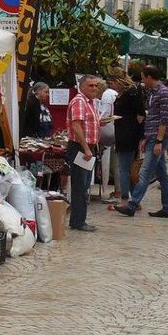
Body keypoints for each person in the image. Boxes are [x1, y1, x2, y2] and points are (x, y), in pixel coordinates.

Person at [116, 66, 168, 219]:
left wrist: (158, 141)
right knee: (162, 174)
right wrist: (146, 137)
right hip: (152, 137)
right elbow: (152, 118)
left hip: (158, 138)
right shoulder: (152, 93)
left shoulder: (164, 93)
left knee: (145, 173)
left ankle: (132, 205)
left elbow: (164, 120)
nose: (141, 81)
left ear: (149, 77)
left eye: (143, 77)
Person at [65, 74, 102, 232]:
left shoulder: (89, 102)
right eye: (90, 85)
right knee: (80, 185)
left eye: (95, 85)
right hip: (81, 149)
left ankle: (79, 219)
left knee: (84, 184)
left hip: (87, 148)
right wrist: (86, 148)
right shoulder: (80, 101)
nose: (94, 88)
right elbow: (76, 126)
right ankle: (78, 221)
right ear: (81, 87)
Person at [109, 70, 144, 204]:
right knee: (128, 167)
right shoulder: (126, 93)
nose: (112, 85)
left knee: (125, 167)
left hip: (127, 132)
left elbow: (140, 112)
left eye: (113, 82)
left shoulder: (131, 92)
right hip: (124, 130)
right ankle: (134, 198)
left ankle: (126, 198)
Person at [97, 76, 118, 197]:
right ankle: (119, 189)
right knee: (117, 162)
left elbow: (105, 113)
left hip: (110, 130)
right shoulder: (112, 93)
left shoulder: (106, 95)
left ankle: (118, 191)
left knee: (115, 162)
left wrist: (96, 121)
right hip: (116, 129)